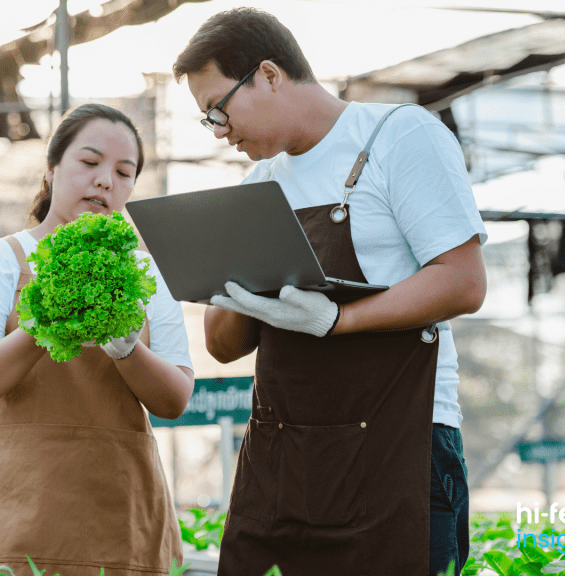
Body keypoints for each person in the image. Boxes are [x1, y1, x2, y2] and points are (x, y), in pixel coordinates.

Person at [172, 8, 487, 576]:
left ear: (268, 74)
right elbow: (222, 346)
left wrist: (336, 321)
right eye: (207, 119)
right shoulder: (258, 188)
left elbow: (462, 281)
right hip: (285, 457)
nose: (219, 129)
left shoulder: (397, 134)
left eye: (220, 108)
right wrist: (225, 278)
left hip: (402, 444)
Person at [0, 103, 195, 576]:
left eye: (124, 172)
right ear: (52, 168)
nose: (105, 181)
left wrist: (126, 348)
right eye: (90, 162)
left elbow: (176, 397)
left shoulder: (146, 273)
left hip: (119, 506)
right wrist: (43, 322)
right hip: (10, 504)